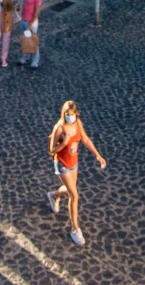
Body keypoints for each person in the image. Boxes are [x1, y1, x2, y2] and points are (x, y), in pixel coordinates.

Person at [45, 99, 108, 246]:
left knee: (69, 190)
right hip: (62, 164)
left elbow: (85, 139)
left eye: (71, 114)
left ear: (76, 114)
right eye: (67, 114)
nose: (69, 117)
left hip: (74, 163)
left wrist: (98, 155)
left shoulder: (77, 123)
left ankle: (54, 196)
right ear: (63, 114)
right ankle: (75, 229)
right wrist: (65, 143)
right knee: (74, 195)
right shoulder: (59, 128)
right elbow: (51, 150)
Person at [17, 0, 43, 69]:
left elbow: (37, 12)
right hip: (24, 20)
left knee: (33, 41)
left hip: (31, 23)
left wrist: (31, 25)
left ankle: (35, 61)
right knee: (25, 40)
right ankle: (25, 57)